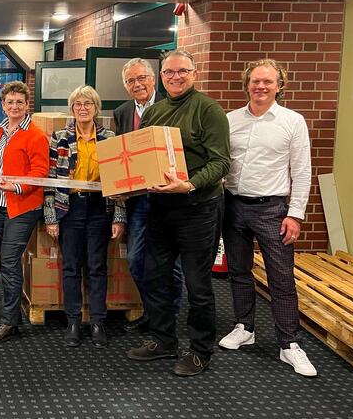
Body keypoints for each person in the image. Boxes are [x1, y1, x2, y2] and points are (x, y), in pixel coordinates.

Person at [126, 50, 230, 377]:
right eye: (169, 73)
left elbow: (221, 162)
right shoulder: (155, 112)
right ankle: (163, 339)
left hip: (198, 208)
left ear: (194, 73)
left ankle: (200, 351)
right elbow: (145, 157)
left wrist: (190, 184)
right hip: (160, 207)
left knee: (199, 285)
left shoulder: (208, 110)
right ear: (162, 77)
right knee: (155, 274)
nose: (175, 77)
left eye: (182, 71)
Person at [219, 59, 316, 376]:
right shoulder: (230, 120)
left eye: (267, 82)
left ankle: (290, 344)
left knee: (281, 279)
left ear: (279, 85)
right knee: (239, 271)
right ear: (247, 84)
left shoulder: (292, 121)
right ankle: (244, 327)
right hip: (233, 205)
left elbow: (302, 172)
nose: (261, 86)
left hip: (273, 209)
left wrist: (295, 215)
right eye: (255, 81)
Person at [44, 86, 126, 348]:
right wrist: (51, 217)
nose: (82, 108)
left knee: (97, 266)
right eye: (78, 104)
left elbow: (119, 181)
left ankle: (99, 321)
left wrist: (119, 217)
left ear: (96, 108)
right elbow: (49, 180)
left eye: (88, 104)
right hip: (70, 208)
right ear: (72, 109)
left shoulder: (110, 138)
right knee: (71, 267)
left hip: (100, 209)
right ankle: (73, 321)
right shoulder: (60, 138)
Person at [113, 58, 183, 333]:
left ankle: (170, 314)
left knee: (169, 261)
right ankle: (152, 311)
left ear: (154, 79)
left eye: (142, 78)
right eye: (131, 80)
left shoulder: (173, 106)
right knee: (136, 259)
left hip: (169, 196)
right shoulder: (122, 112)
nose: (137, 84)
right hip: (139, 199)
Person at [0, 81, 49, 343]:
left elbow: (41, 173)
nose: (14, 106)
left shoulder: (35, 134)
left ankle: (9, 321)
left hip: (22, 206)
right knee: (7, 262)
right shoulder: (0, 132)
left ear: (27, 104)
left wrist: (17, 186)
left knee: (8, 262)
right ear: (3, 104)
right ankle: (12, 315)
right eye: (9, 102)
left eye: (19, 102)